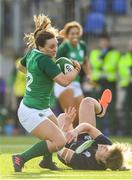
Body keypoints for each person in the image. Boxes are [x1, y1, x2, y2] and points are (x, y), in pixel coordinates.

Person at [12, 14, 81, 172]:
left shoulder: (32, 53)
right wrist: (77, 69)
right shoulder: (45, 61)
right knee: (60, 141)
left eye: (56, 45)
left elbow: (20, 67)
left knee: (56, 133)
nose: (54, 49)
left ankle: (46, 162)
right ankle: (21, 158)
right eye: (51, 47)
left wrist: (35, 75)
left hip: (36, 106)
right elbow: (64, 81)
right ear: (41, 47)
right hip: (31, 111)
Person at [56, 90, 132, 171]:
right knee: (87, 101)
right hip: (84, 138)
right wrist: (76, 131)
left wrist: (65, 127)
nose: (106, 147)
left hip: (67, 145)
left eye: (107, 150)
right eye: (109, 148)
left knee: (62, 117)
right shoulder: (107, 146)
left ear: (104, 161)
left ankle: (46, 158)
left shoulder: (86, 163)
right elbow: (88, 127)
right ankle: (101, 110)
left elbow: (59, 148)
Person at [54, 21, 90, 127]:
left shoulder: (82, 46)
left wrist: (89, 75)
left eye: (76, 33)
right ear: (67, 35)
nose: (75, 36)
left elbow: (86, 61)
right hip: (65, 83)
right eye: (72, 33)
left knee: (84, 114)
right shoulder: (64, 47)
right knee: (72, 115)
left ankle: (79, 138)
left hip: (76, 83)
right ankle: (68, 139)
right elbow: (55, 64)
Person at [90, 33, 120, 135]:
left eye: (105, 41)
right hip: (98, 83)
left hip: (110, 83)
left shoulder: (114, 53)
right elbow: (94, 63)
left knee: (111, 108)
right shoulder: (95, 52)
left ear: (108, 42)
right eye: (102, 41)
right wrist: (102, 63)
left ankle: (112, 131)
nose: (103, 43)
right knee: (97, 108)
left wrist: (101, 63)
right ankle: (97, 131)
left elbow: (112, 65)